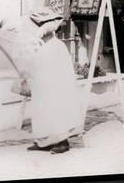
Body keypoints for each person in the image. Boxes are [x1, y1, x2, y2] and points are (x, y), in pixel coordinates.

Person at [21, 8, 84, 154]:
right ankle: (43, 141)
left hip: (55, 86)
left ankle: (63, 141)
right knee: (40, 108)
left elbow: (61, 74)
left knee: (56, 106)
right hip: (41, 84)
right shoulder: (39, 45)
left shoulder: (57, 46)